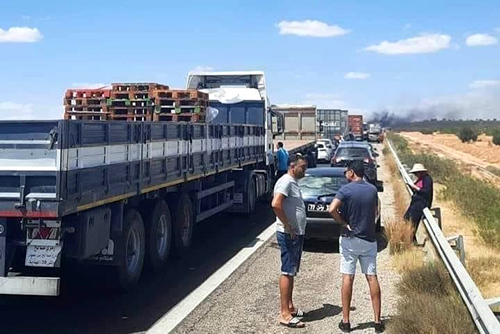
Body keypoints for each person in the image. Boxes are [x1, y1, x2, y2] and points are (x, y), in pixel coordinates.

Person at [328, 160, 384, 333]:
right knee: (371, 277)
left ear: (352, 172)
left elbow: (331, 209)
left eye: (346, 171)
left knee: (348, 278)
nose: (345, 174)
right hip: (368, 239)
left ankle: (346, 322)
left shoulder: (345, 190)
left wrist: (343, 223)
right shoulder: (372, 190)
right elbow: (376, 211)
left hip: (349, 239)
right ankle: (377, 322)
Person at [271, 154, 308, 328]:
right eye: (303, 167)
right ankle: (284, 313)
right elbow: (276, 204)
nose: (305, 170)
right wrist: (288, 226)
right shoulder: (286, 181)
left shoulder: (292, 182)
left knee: (292, 271)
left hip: (294, 233)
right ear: (293, 166)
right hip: (289, 234)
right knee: (287, 271)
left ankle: (290, 307)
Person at [404, 163, 433, 238]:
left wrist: (416, 188)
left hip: (422, 203)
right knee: (407, 217)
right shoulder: (420, 179)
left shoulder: (427, 179)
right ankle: (409, 237)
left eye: (416, 173)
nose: (416, 174)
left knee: (413, 220)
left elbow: (426, 191)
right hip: (416, 202)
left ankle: (411, 238)